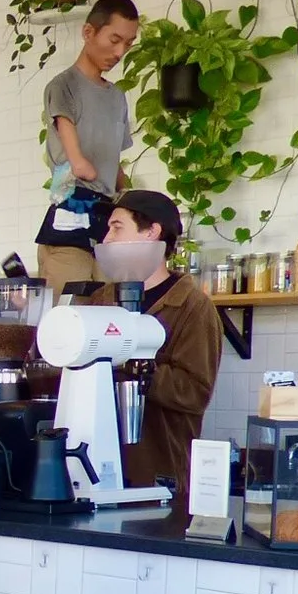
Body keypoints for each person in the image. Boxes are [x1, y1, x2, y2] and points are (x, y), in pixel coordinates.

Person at [88, 190, 221, 491]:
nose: (106, 239)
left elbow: (195, 393)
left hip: (162, 478)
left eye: (117, 227)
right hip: (97, 471)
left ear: (152, 231)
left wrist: (139, 365)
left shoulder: (192, 306)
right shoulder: (101, 300)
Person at [35, 0, 141, 297]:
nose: (120, 52)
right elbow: (64, 127)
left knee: (109, 309)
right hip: (70, 208)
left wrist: (131, 196)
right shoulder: (63, 84)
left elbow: (114, 158)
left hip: (107, 218)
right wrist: (79, 162)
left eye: (129, 44)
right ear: (88, 32)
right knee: (70, 311)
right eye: (114, 40)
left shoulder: (117, 96)